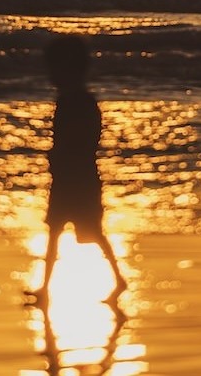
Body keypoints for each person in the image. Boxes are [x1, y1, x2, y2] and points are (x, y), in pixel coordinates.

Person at [33, 39, 127, 304]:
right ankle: (45, 288)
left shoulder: (75, 102)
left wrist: (59, 160)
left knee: (83, 232)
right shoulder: (80, 101)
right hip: (75, 176)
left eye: (54, 70)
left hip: (76, 178)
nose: (51, 75)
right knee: (60, 231)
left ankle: (118, 280)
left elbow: (75, 141)